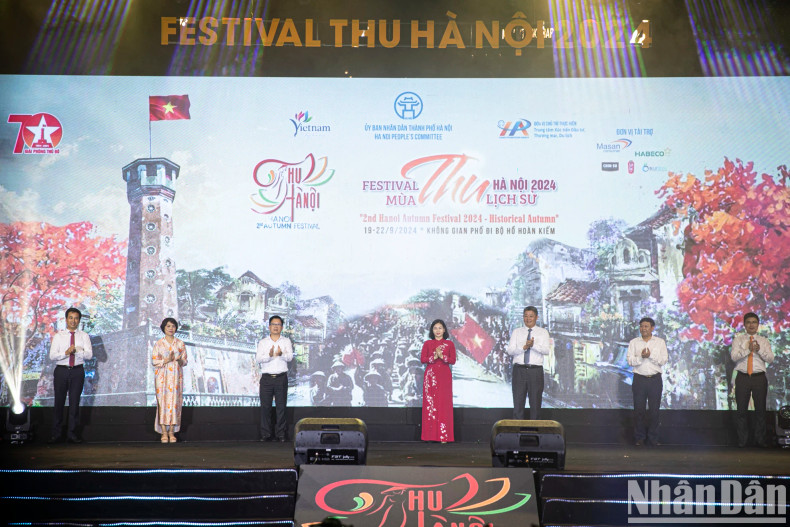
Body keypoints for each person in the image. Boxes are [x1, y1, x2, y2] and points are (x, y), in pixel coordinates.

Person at [48, 307, 93, 443]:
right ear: (66, 319)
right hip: (61, 370)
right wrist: (66, 353)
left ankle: (72, 434)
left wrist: (77, 351)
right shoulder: (59, 336)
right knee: (59, 402)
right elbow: (52, 356)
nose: (73, 321)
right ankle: (56, 434)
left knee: (74, 403)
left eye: (76, 318)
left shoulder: (83, 336)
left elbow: (89, 355)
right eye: (71, 318)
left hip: (77, 371)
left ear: (79, 320)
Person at [731, 312, 774, 447]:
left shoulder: (763, 341)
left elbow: (770, 359)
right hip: (743, 377)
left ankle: (760, 441)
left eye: (754, 322)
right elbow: (734, 357)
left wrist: (759, 350)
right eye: (748, 322)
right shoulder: (738, 340)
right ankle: (742, 441)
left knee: (760, 410)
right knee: (741, 411)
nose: (751, 325)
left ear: (758, 325)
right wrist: (747, 350)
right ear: (744, 325)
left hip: (759, 378)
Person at [626, 317, 668, 446]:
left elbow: (663, 360)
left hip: (655, 380)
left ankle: (653, 439)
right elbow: (630, 361)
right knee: (639, 410)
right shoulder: (634, 342)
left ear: (652, 328)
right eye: (641, 326)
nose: (643, 329)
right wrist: (641, 358)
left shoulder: (660, 342)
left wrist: (650, 356)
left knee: (654, 410)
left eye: (646, 326)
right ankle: (640, 438)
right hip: (639, 379)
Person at [506, 306, 550, 420]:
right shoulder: (517, 332)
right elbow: (510, 350)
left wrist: (533, 345)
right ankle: (517, 434)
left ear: (536, 317)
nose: (528, 319)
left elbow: (546, 350)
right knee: (518, 404)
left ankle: (534, 434)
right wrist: (524, 347)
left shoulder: (543, 332)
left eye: (531, 316)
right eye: (525, 316)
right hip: (519, 370)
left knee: (535, 404)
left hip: (535, 371)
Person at [256, 315, 294, 442]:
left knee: (281, 407)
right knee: (265, 407)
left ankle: (281, 434)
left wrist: (280, 354)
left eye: (278, 324)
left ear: (282, 327)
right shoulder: (263, 342)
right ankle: (265, 434)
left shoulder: (286, 341)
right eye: (273, 324)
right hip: (266, 378)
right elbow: (258, 359)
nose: (276, 327)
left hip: (281, 378)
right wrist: (270, 355)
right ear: (269, 327)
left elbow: (290, 357)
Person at [152, 317, 188, 443]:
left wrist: (178, 359)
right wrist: (166, 360)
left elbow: (184, 361)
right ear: (163, 328)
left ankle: (172, 432)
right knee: (162, 403)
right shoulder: (158, 344)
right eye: (168, 326)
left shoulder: (180, 343)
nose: (171, 328)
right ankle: (164, 432)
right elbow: (154, 361)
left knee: (174, 403)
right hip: (162, 377)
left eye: (173, 326)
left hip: (176, 378)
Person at [420, 319, 456, 442]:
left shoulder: (449, 344)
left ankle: (444, 436)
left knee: (444, 404)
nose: (438, 330)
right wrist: (434, 357)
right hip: (430, 376)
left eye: (440, 328)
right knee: (431, 404)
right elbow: (423, 359)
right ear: (432, 330)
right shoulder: (427, 343)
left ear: (444, 330)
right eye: (435, 328)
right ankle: (429, 436)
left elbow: (452, 360)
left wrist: (442, 357)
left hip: (444, 376)